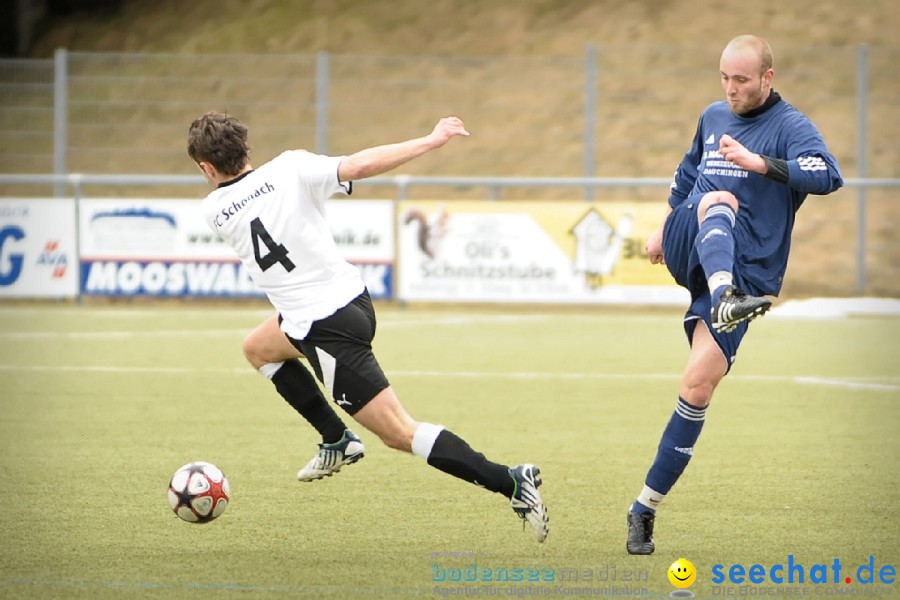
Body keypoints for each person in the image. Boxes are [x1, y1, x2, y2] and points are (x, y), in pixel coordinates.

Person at [187, 113, 549, 543]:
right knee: (258, 347)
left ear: (207, 168)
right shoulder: (291, 166)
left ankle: (510, 481)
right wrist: (431, 141)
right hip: (352, 301)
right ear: (247, 149)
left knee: (399, 433)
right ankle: (335, 437)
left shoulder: (213, 210)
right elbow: (358, 165)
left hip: (323, 330)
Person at [626, 35, 843, 554]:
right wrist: (661, 227)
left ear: (768, 77)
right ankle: (722, 293)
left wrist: (759, 163)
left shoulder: (790, 127)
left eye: (741, 80)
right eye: (724, 78)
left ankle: (643, 510)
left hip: (749, 274)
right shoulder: (712, 116)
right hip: (694, 241)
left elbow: (828, 174)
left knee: (698, 385)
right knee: (716, 197)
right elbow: (686, 176)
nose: (730, 89)